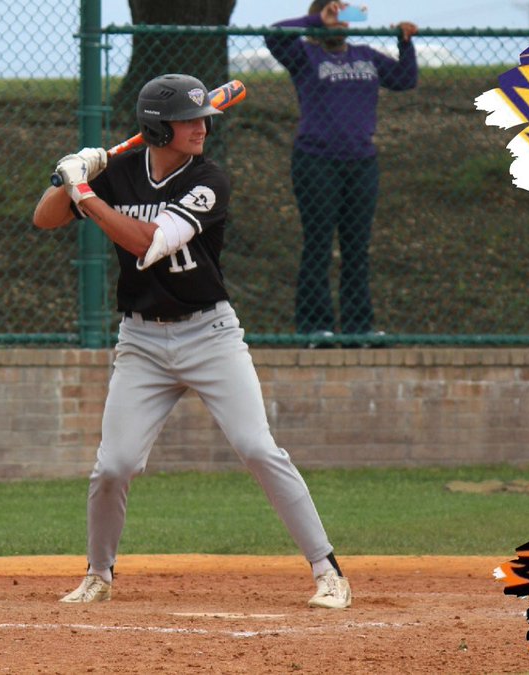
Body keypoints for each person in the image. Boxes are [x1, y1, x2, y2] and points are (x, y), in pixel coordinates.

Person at [33, 73, 352, 609]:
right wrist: (72, 175)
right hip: (140, 342)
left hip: (210, 335)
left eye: (202, 118)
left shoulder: (209, 180)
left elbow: (149, 244)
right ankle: (98, 574)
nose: (202, 127)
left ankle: (329, 572)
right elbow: (45, 219)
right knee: (114, 466)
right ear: (158, 128)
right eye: (188, 120)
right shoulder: (120, 172)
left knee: (257, 447)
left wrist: (84, 195)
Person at [267, 1, 418, 344]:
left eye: (343, 19)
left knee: (356, 247)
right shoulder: (304, 57)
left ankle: (358, 328)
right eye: (332, 19)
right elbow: (273, 36)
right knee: (318, 244)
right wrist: (314, 21)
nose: (340, 26)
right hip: (316, 162)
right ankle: (314, 327)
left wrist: (405, 43)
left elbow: (405, 80)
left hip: (361, 163)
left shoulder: (366, 55)